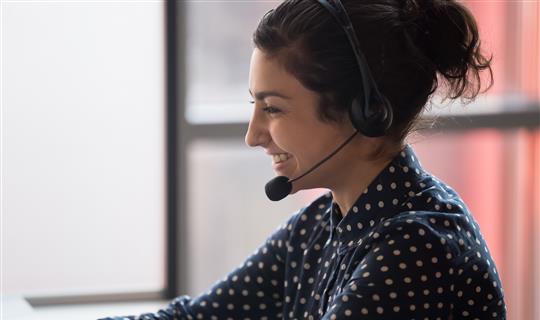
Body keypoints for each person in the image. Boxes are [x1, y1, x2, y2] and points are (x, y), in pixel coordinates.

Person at [102, 0, 506, 319]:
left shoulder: (417, 249)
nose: (253, 135)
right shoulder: (320, 226)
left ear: (364, 112)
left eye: (273, 109)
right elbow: (196, 317)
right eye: (254, 104)